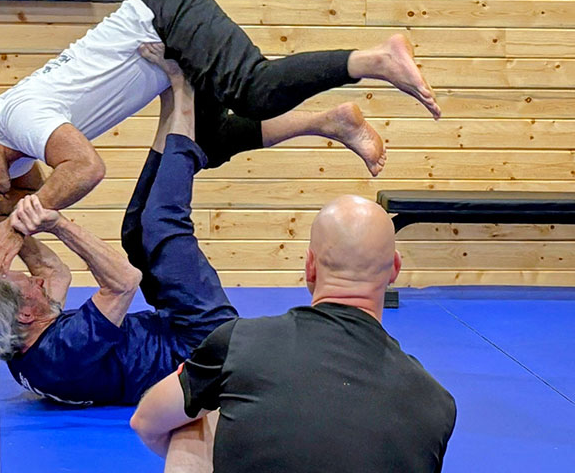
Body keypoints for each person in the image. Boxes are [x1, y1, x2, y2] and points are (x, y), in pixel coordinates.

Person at [0, 0, 439, 278]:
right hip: (168, 48)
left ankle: (374, 58)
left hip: (166, 18)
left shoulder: (18, 119)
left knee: (252, 88)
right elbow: (35, 197)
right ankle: (332, 121)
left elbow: (84, 169)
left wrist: (9, 223)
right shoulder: (11, 158)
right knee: (209, 141)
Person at [0, 49, 239, 405]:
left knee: (136, 230)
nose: (35, 280)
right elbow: (125, 282)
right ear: (26, 313)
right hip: (205, 343)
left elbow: (54, 272)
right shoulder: (64, 351)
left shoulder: (23, 345)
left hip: (174, 326)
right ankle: (185, 92)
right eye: (27, 284)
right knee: (161, 224)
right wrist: (58, 224)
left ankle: (175, 109)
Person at [130, 195, 457, 473]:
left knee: (193, 420)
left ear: (310, 266)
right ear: (395, 269)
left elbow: (146, 421)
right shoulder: (437, 404)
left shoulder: (241, 343)